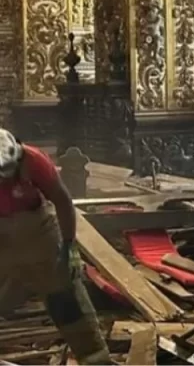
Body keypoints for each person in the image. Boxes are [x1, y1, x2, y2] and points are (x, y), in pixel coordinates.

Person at [0, 129, 110, 364]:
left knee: (64, 297)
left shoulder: (33, 160)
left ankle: (94, 358)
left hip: (39, 234)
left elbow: (62, 200)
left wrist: (69, 246)